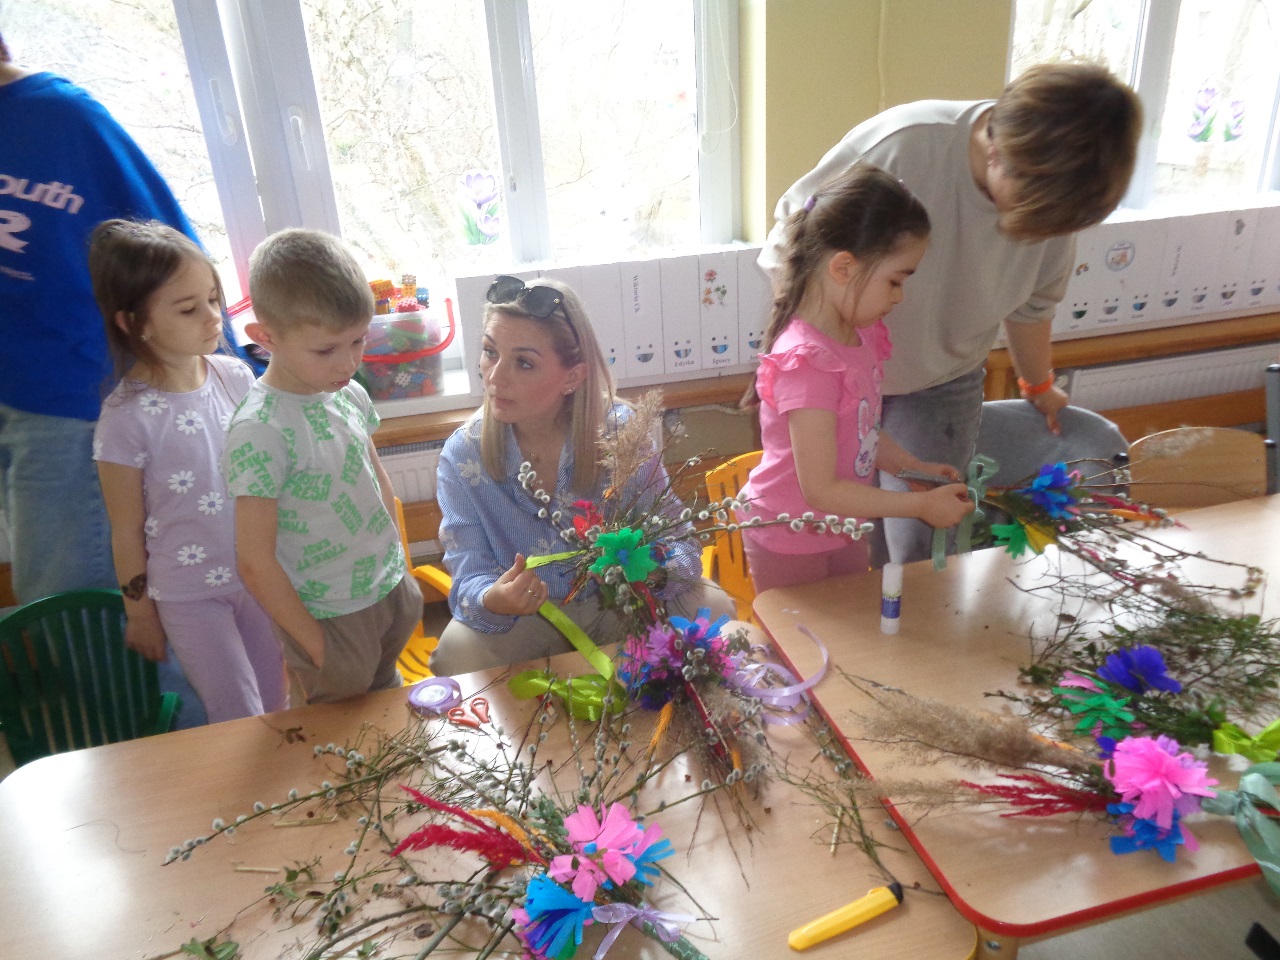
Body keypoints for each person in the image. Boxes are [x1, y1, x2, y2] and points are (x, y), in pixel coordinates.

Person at [760, 62, 1142, 566]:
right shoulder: (906, 146)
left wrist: (1037, 385)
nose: (1046, 229)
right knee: (844, 529)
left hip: (941, 381)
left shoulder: (1057, 199)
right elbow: (793, 241)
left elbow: (1032, 305)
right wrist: (828, 353)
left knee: (923, 546)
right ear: (1000, 154)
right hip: (842, 370)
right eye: (1037, 210)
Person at [430, 276, 735, 676]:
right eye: (490, 352)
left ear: (572, 377)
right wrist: (494, 598)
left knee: (715, 610)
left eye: (523, 363)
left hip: (619, 605)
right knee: (455, 655)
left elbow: (681, 543)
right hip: (528, 618)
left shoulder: (621, 434)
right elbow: (468, 572)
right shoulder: (463, 454)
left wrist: (658, 570)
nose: (495, 377)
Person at [0, 33, 206, 604]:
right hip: (11, 391)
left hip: (75, 399)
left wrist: (219, 375)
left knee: (64, 597)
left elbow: (172, 255)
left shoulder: (65, 120)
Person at [739, 165, 972, 593]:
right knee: (802, 635)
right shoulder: (808, 364)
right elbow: (821, 490)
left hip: (841, 526)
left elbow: (863, 431)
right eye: (895, 280)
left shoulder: (858, 337)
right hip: (789, 537)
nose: (899, 296)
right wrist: (919, 506)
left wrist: (913, 469)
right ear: (844, 267)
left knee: (850, 626)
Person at [89, 219, 286, 723]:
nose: (213, 317)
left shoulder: (236, 377)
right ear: (134, 323)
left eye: (214, 300)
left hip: (257, 574)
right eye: (188, 308)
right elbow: (126, 529)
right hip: (189, 594)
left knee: (277, 703)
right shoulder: (124, 418)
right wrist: (139, 612)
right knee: (237, 714)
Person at [221, 228, 421, 704]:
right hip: (327, 613)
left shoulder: (348, 393)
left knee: (385, 703)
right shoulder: (259, 429)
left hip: (388, 589)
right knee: (337, 728)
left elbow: (378, 481)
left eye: (358, 341)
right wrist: (314, 645)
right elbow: (254, 560)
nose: (349, 363)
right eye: (327, 349)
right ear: (264, 338)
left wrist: (401, 570)